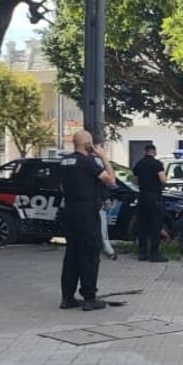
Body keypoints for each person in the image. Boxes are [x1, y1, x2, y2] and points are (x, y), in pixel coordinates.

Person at [59, 130, 116, 310]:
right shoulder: (88, 162)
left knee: (72, 255)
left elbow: (61, 186)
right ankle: (89, 298)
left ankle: (67, 297)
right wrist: (104, 157)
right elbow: (111, 180)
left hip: (69, 211)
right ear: (88, 145)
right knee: (90, 254)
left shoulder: (64, 162)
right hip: (87, 212)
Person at [132, 144, 167, 261]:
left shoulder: (139, 164)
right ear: (154, 152)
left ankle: (142, 252)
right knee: (155, 225)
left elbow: (135, 180)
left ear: (144, 152)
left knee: (142, 224)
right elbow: (163, 179)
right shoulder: (157, 164)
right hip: (154, 196)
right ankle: (154, 253)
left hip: (142, 196)